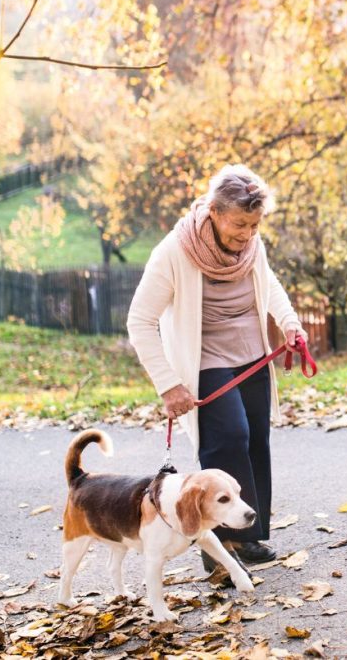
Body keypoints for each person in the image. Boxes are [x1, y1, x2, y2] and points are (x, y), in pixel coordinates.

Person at [127, 164, 306, 568]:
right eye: (239, 224)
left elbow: (269, 283)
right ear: (213, 211)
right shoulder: (175, 252)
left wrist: (289, 322)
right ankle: (221, 551)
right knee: (228, 439)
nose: (246, 234)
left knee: (256, 442)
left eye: (255, 225)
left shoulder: (251, 246)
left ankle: (250, 538)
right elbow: (139, 321)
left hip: (252, 355)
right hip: (205, 359)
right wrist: (169, 384)